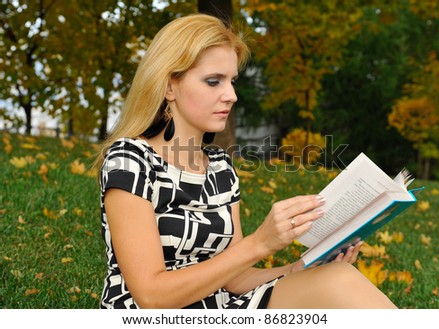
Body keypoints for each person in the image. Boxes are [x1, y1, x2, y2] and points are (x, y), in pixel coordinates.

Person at [93, 13, 396, 309]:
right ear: (170, 86)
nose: (231, 95)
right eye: (214, 82)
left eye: (232, 81)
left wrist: (304, 266)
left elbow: (236, 279)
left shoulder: (220, 167)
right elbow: (152, 297)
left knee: (336, 275)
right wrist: (260, 243)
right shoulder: (130, 160)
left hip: (222, 305)